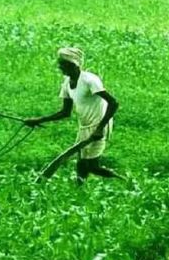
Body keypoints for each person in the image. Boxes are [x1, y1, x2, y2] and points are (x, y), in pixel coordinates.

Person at [25, 47, 121, 183]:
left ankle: (124, 181)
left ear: (73, 65)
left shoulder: (89, 80)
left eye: (62, 64)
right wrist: (39, 120)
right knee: (83, 164)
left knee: (91, 166)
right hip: (84, 126)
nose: (59, 67)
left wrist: (99, 129)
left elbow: (113, 103)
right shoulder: (67, 84)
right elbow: (65, 112)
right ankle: (80, 190)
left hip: (100, 125)